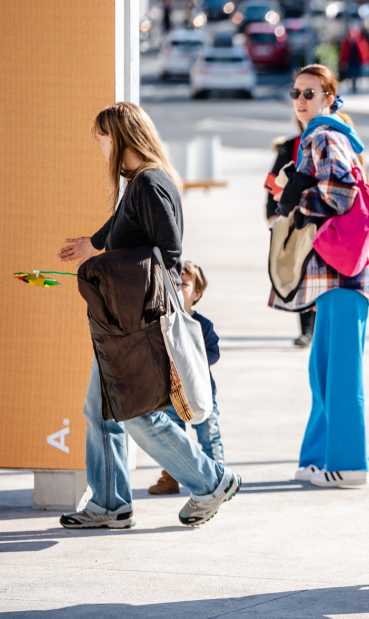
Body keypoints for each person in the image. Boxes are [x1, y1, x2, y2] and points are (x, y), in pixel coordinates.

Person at [57, 102, 240, 529]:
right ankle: (110, 505)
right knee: (100, 410)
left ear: (121, 138)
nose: (100, 146)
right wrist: (95, 244)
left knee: (137, 414)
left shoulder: (150, 183)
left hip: (140, 324)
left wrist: (108, 264)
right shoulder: (140, 184)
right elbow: (125, 224)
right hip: (125, 324)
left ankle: (211, 481)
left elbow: (168, 252)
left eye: (103, 137)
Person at [271, 64, 369, 488]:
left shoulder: (324, 136)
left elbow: (341, 195)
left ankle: (348, 465)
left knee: (339, 374)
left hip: (344, 273)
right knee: (324, 370)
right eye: (296, 92)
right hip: (338, 272)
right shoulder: (323, 135)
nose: (300, 100)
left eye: (310, 93)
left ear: (330, 99)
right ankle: (317, 457)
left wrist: (297, 200)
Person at [149, 261, 226, 495]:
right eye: (174, 284)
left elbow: (214, 352)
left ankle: (219, 476)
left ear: (197, 293)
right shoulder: (165, 322)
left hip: (201, 391)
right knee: (172, 438)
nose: (178, 288)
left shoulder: (203, 325)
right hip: (172, 393)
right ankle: (170, 478)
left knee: (209, 436)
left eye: (184, 284)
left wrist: (195, 359)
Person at [265, 119, 316, 347]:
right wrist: (271, 214)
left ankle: (318, 328)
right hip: (293, 220)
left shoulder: (332, 145)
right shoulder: (289, 146)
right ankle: (306, 331)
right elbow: (271, 183)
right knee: (299, 270)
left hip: (319, 220)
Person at [339, 26, 369, 93]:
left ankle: (355, 86)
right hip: (350, 62)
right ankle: (352, 86)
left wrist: (366, 60)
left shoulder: (361, 41)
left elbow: (365, 51)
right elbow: (344, 52)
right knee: (350, 74)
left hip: (357, 61)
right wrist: (343, 62)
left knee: (356, 74)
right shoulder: (347, 42)